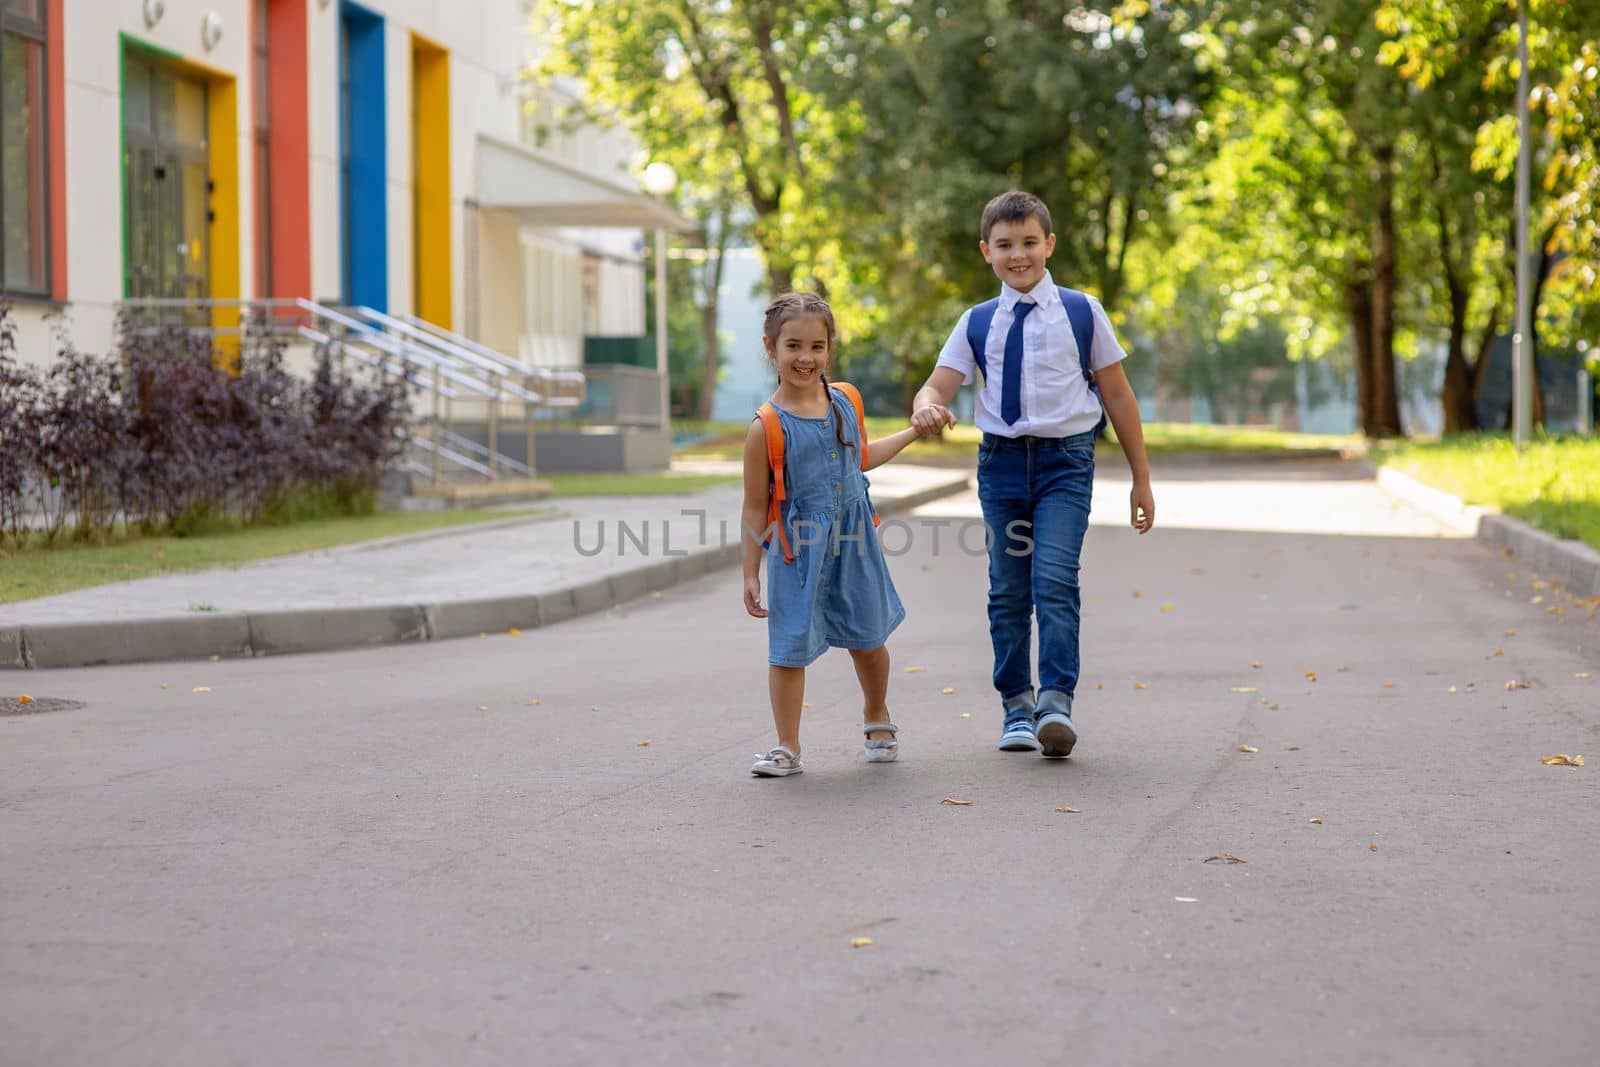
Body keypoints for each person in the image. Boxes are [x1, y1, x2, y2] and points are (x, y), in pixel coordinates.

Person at [911, 190, 1155, 759]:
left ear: (1049, 244)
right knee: (1008, 591)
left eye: (1028, 243)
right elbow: (939, 383)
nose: (1017, 255)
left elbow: (1117, 394)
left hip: (1065, 465)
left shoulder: (1081, 311)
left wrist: (1142, 479)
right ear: (986, 252)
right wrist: (927, 403)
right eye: (1004, 245)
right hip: (1001, 469)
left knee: (1053, 581)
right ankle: (1016, 707)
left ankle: (1055, 704)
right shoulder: (976, 322)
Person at [741, 292, 930, 778]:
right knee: (787, 647)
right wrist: (750, 572)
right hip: (795, 551)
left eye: (817, 346)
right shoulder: (765, 427)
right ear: (771, 348)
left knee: (868, 635)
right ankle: (787, 746)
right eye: (794, 346)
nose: (806, 358)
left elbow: (861, 457)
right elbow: (755, 505)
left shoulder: (846, 401)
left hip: (854, 541)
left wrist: (911, 432)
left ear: (830, 348)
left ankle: (877, 716)